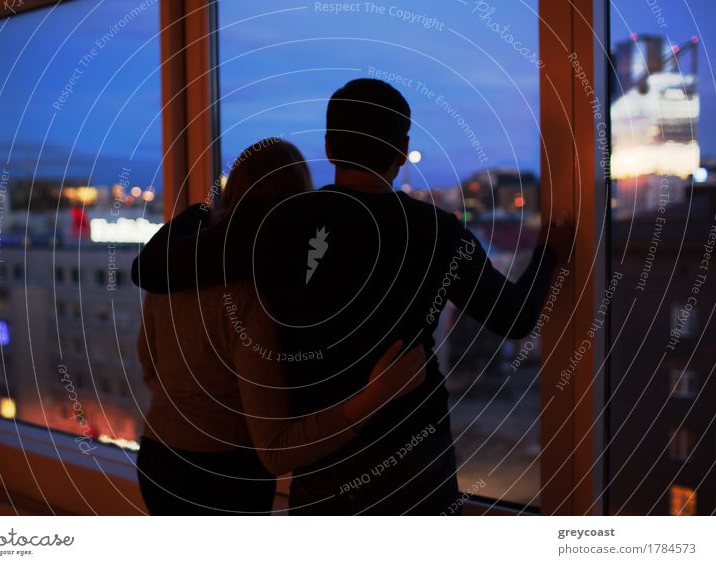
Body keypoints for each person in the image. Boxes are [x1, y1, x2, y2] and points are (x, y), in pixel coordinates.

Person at [132, 79, 574, 515]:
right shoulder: (438, 231)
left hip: (322, 462)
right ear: (402, 152)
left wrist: (204, 214)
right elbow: (514, 319)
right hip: (415, 456)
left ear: (328, 146)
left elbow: (152, 267)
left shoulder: (279, 224)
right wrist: (548, 256)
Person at [135, 137, 427, 515]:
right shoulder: (253, 293)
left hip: (156, 458)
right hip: (222, 475)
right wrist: (377, 396)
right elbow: (275, 450)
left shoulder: (173, 269)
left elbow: (148, 363)